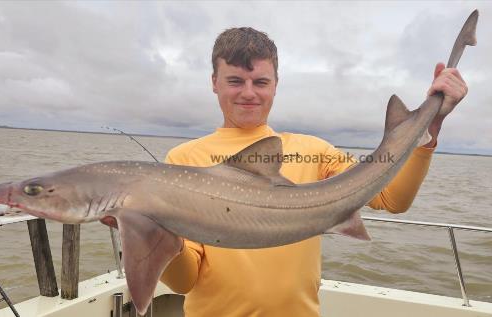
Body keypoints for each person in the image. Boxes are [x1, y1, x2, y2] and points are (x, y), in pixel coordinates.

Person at [104, 27, 468, 316]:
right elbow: (185, 281)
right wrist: (141, 233)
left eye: (260, 82)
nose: (249, 93)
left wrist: (428, 131)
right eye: (234, 81)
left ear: (276, 84)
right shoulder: (184, 159)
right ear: (214, 82)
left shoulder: (313, 151)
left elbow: (393, 199)